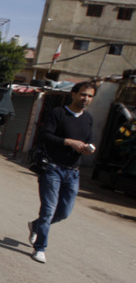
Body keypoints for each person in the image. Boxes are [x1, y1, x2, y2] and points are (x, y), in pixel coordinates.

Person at [27, 81, 96, 263]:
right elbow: (45, 135)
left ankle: (36, 225)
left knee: (64, 212)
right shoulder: (58, 113)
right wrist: (69, 142)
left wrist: (89, 148)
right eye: (83, 94)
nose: (86, 99)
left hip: (73, 173)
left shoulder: (88, 119)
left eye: (90, 96)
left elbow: (89, 140)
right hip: (52, 169)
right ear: (73, 94)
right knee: (48, 210)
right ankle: (40, 248)